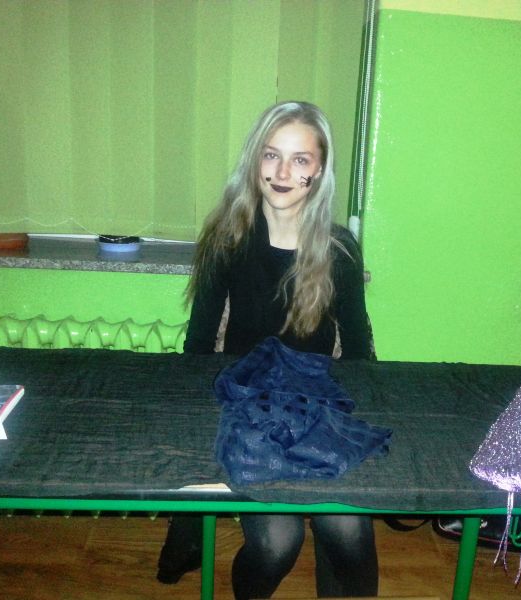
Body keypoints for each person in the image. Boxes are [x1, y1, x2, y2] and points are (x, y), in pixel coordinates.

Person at [157, 101, 377, 599]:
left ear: (319, 170)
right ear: (255, 160)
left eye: (300, 159)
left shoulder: (340, 249)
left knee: (349, 531)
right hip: (246, 405)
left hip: (317, 404)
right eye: (271, 155)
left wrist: (354, 418)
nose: (281, 173)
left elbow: (358, 350)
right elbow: (199, 343)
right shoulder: (227, 239)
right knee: (278, 541)